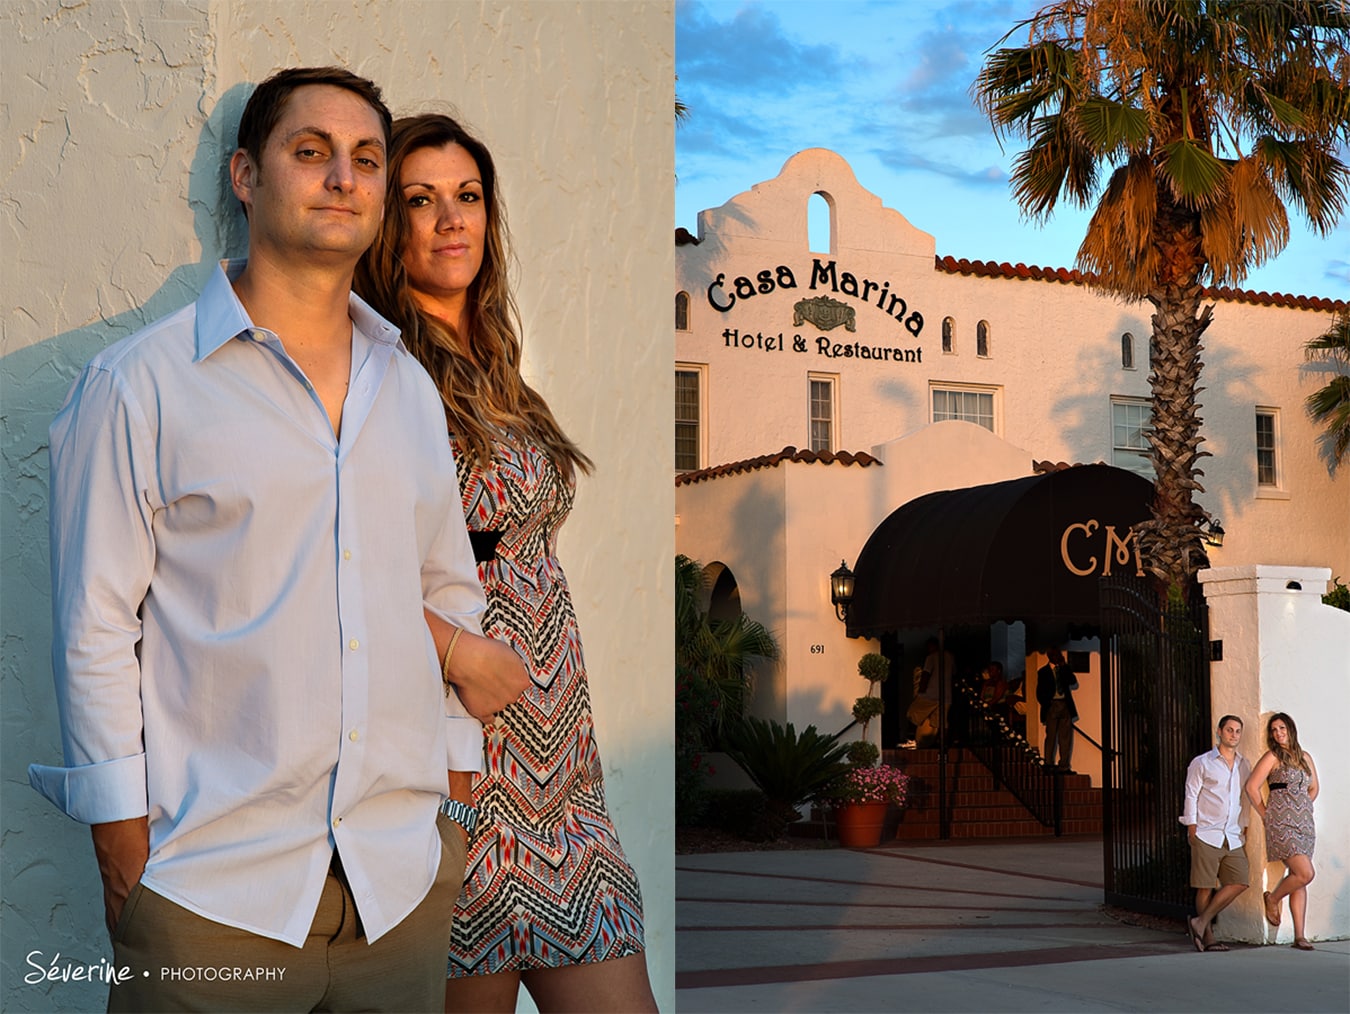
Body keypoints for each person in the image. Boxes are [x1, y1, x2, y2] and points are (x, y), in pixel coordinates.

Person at [28, 68, 527, 1012]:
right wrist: (122, 841)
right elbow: (94, 624)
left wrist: (451, 789)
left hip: (397, 890)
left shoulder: (407, 390)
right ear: (246, 178)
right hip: (213, 891)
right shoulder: (142, 385)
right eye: (312, 152)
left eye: (366, 159)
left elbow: (445, 583)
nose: (344, 177)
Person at [355, 114, 656, 1013]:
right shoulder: (377, 366)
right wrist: (459, 654)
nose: (452, 219)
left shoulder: (498, 367)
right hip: (458, 770)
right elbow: (336, 564)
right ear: (387, 226)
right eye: (421, 200)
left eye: (469, 196)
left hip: (562, 775)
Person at [1245, 712, 1319, 951]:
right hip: (1281, 823)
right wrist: (1265, 813)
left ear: (1291, 729)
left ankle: (1299, 935)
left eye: (1282, 728)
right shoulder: (1272, 756)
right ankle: (1273, 898)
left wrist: (1303, 805)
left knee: (1299, 878)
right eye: (1274, 730)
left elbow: (1314, 787)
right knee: (1305, 873)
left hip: (1304, 824)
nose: (1278, 733)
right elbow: (1251, 787)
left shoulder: (1305, 757)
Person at [1180, 715, 1251, 953]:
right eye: (1229, 730)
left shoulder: (1244, 764)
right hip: (1206, 832)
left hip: (1232, 834)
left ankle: (1199, 921)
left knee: (1240, 881)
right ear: (1219, 732)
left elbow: (1244, 798)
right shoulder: (1202, 763)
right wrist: (1191, 825)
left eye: (1238, 731)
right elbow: (1191, 793)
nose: (1234, 734)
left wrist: (1245, 825)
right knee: (1205, 886)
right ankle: (1207, 937)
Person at [902, 637, 955, 747]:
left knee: (913, 713)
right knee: (941, 721)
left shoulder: (931, 657)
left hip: (930, 693)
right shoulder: (950, 656)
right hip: (946, 694)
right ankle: (942, 743)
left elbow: (926, 674)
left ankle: (910, 739)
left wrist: (921, 690)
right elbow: (954, 673)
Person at [1036, 647, 1078, 770]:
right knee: (1051, 736)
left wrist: (1064, 665)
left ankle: (1064, 765)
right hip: (1052, 704)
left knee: (1065, 737)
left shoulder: (1063, 669)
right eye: (1054, 655)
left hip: (1065, 704)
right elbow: (1040, 692)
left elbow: (1072, 681)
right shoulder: (1043, 672)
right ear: (1049, 656)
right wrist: (1047, 703)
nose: (1057, 657)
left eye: (1058, 655)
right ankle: (1048, 763)